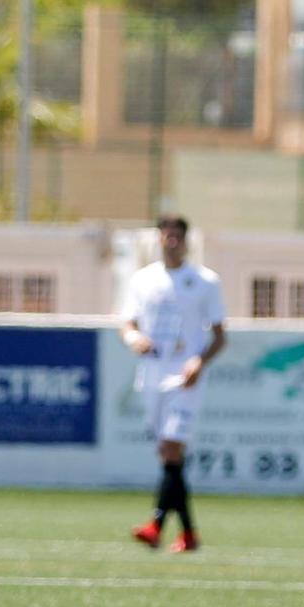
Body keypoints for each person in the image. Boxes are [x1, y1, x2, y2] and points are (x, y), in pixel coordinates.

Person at [122, 215, 227, 553]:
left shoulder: (205, 281)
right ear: (159, 239)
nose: (171, 241)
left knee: (171, 449)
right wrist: (134, 337)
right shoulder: (142, 280)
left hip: (185, 379)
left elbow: (220, 335)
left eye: (177, 236)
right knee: (169, 459)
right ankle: (189, 534)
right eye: (166, 235)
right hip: (151, 377)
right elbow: (127, 323)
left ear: (185, 241)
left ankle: (155, 525)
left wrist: (199, 360)